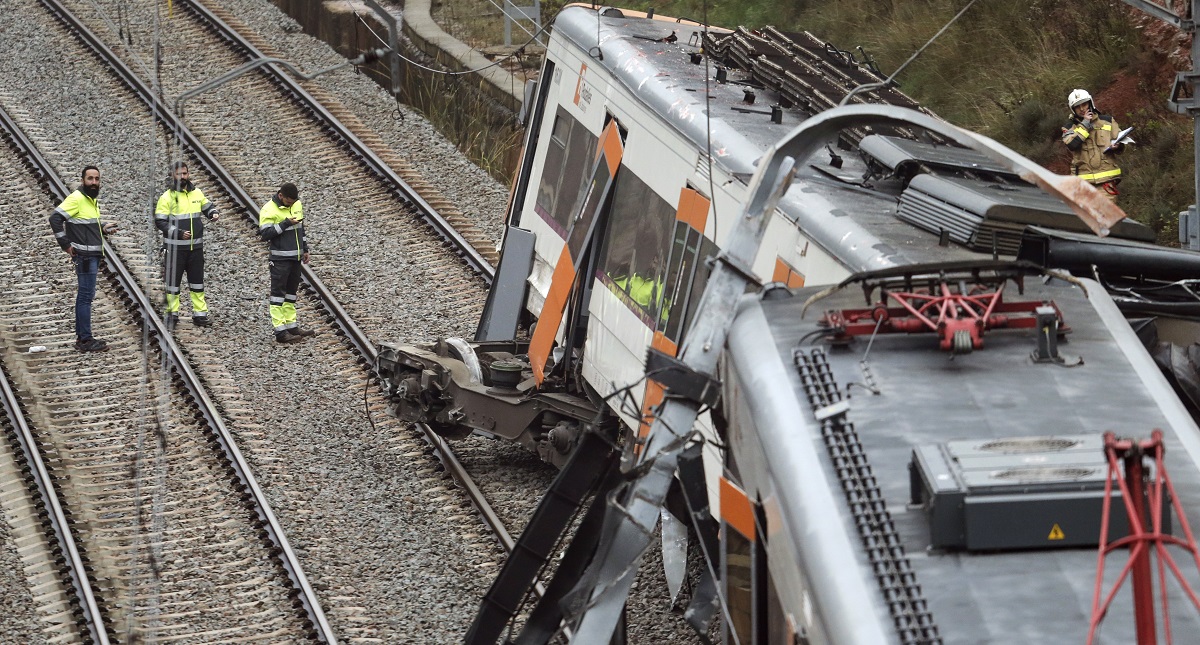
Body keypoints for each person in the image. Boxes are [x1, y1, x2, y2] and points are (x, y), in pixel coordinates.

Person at [49, 166, 117, 352]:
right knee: (86, 297)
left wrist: (102, 228)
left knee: (85, 296)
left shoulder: (90, 200)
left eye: (96, 179)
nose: (94, 182)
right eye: (90, 179)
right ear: (82, 180)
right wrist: (65, 244)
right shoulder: (77, 198)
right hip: (85, 256)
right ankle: (85, 340)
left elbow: (84, 225)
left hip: (90, 255)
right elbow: (55, 218)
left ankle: (83, 338)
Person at [154, 161, 219, 330]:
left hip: (195, 249)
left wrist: (212, 213)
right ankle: (172, 314)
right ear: (172, 176)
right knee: (172, 283)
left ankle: (200, 315)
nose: (182, 177)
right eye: (179, 174)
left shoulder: (196, 193)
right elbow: (160, 221)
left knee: (197, 283)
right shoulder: (166, 197)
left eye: (185, 173)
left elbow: (207, 205)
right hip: (175, 249)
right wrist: (178, 232)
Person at [258, 182, 315, 344]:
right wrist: (285, 223)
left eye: (293, 202)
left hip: (295, 258)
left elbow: (300, 229)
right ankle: (280, 332)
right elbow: (265, 234)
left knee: (290, 295)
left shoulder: (296, 204)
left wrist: (305, 249)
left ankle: (291, 327)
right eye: (288, 202)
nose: (291, 204)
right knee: (278, 295)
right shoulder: (268, 209)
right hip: (280, 260)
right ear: (281, 195)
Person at [1061, 88, 1125, 201]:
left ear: (1090, 103)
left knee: (1105, 215)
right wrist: (1085, 124)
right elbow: (1072, 144)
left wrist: (1118, 146)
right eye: (1077, 106)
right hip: (1082, 185)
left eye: (1084, 104)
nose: (1081, 109)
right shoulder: (1068, 128)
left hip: (1106, 182)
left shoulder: (1108, 121)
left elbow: (1121, 144)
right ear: (1073, 109)